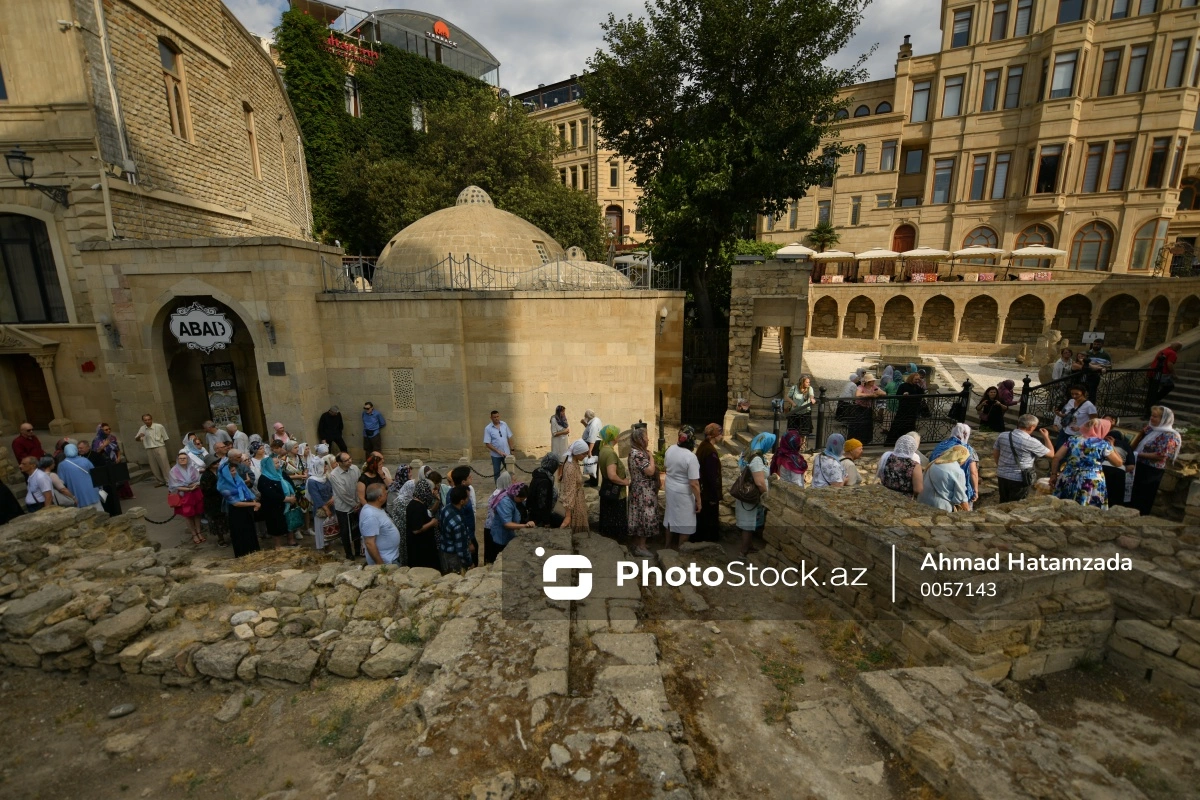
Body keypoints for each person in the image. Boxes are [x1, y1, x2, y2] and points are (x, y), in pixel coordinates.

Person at [1051, 418, 1123, 509]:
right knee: (1087, 509)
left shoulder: (1072, 439)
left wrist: (1053, 474)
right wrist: (1112, 446)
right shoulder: (1103, 444)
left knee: (1062, 508)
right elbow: (1118, 463)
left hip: (1068, 476)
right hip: (1090, 481)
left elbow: (1056, 457)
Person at [1127, 406, 1182, 516]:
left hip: (1151, 470)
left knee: (1143, 496)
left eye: (1155, 417)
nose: (1151, 418)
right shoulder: (1150, 429)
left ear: (1164, 419)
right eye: (1151, 415)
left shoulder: (1170, 435)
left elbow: (1161, 455)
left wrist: (1138, 454)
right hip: (1138, 465)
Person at [992, 414, 1055, 502]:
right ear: (1031, 427)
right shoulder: (1031, 442)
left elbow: (996, 452)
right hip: (1019, 478)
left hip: (1002, 474)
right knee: (1016, 504)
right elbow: (1051, 454)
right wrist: (1046, 437)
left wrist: (1000, 465)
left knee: (1003, 500)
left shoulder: (1003, 435)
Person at [736, 432, 774, 555]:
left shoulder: (746, 452)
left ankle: (749, 546)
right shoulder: (756, 459)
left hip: (746, 493)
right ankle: (743, 551)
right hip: (751, 496)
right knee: (748, 524)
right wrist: (766, 496)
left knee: (750, 524)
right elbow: (759, 482)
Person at [663, 426, 701, 549]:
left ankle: (667, 546)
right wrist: (699, 501)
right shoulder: (691, 457)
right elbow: (694, 483)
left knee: (670, 517)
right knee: (686, 523)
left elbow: (666, 468)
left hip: (670, 489)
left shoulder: (670, 449)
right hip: (684, 493)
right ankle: (681, 550)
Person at [627, 425, 661, 557]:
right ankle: (640, 546)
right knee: (644, 517)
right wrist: (651, 457)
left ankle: (637, 544)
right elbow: (650, 471)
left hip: (639, 490)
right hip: (643, 492)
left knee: (638, 516)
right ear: (640, 439)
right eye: (646, 437)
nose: (648, 439)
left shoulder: (634, 451)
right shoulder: (639, 454)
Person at [218, 455, 261, 557]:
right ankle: (243, 554)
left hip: (247, 508)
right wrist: (254, 504)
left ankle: (253, 552)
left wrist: (254, 501)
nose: (234, 472)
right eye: (231, 471)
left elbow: (247, 491)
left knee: (250, 532)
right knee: (240, 533)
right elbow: (235, 503)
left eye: (234, 470)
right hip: (236, 512)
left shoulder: (238, 480)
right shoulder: (223, 486)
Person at [929, 424, 980, 508]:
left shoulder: (942, 445)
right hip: (960, 486)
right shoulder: (967, 450)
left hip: (938, 483)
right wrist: (975, 491)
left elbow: (931, 459)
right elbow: (973, 472)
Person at [257, 451, 297, 548]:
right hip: (274, 507)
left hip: (288, 503)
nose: (278, 465)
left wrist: (292, 495)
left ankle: (291, 540)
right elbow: (270, 494)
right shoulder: (264, 479)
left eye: (278, 462)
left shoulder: (281, 474)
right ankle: (278, 545)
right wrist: (286, 499)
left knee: (289, 522)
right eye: (275, 463)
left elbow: (290, 483)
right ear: (268, 465)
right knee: (276, 525)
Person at [488, 482, 535, 563]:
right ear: (515, 495)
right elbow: (507, 524)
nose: (522, 501)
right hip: (501, 536)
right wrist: (525, 526)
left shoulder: (516, 500)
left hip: (510, 535)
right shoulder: (505, 502)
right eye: (521, 499)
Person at [597, 424, 629, 539]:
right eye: (616, 434)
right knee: (616, 521)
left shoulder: (603, 449)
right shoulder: (610, 453)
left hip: (607, 492)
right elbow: (612, 475)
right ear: (612, 437)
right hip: (616, 494)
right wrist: (624, 482)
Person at [168, 449, 206, 545]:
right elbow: (174, 485)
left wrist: (194, 486)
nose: (182, 460)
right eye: (180, 458)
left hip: (195, 493)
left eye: (184, 458)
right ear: (177, 460)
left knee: (197, 514)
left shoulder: (192, 468)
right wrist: (188, 489)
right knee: (188, 515)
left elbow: (198, 480)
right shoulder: (173, 471)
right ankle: (193, 534)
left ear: (188, 459)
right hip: (184, 495)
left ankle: (199, 531)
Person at [329, 452, 362, 559]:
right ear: (339, 463)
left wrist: (359, 501)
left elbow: (359, 484)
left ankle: (358, 551)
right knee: (345, 530)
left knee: (357, 528)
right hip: (343, 507)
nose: (350, 461)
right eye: (346, 460)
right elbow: (342, 493)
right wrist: (354, 504)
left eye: (350, 458)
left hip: (357, 503)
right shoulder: (334, 475)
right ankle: (348, 553)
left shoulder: (355, 469)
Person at [918, 446, 972, 512]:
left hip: (923, 501)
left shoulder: (935, 462)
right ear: (962, 458)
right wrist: (968, 511)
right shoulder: (958, 472)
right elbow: (961, 498)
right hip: (940, 506)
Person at [693, 424, 722, 543]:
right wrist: (715, 495)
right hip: (708, 493)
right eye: (720, 433)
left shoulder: (703, 446)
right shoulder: (710, 452)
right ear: (714, 435)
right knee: (709, 520)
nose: (721, 435)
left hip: (703, 490)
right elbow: (712, 476)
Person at [360, 483, 401, 565]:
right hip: (386, 561)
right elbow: (369, 543)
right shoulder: (371, 516)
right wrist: (381, 565)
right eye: (385, 492)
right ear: (379, 498)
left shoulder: (375, 509)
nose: (387, 493)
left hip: (391, 556)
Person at [438, 485, 477, 572]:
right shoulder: (458, 523)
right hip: (454, 557)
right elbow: (461, 550)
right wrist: (470, 563)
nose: (469, 499)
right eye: (468, 497)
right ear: (462, 501)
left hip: (444, 550)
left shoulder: (445, 508)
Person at [406, 479, 442, 570]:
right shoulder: (416, 507)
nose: (433, 492)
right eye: (432, 490)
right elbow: (416, 529)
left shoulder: (420, 504)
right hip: (420, 550)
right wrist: (432, 523)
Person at [877, 432, 924, 498]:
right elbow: (918, 489)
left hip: (886, 496)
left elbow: (880, 474)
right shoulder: (914, 465)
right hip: (904, 499)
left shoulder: (886, 457)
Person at [92, 422, 133, 500]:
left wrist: (118, 457)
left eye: (109, 429)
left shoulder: (112, 437)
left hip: (115, 459)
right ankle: (114, 496)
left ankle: (126, 494)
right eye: (106, 430)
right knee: (111, 480)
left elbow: (117, 448)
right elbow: (95, 452)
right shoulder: (97, 440)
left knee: (121, 478)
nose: (108, 431)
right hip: (105, 461)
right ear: (101, 431)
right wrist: (104, 445)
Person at [57, 443, 102, 512]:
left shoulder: (62, 465)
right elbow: (95, 474)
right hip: (92, 492)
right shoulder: (85, 460)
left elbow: (62, 482)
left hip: (77, 494)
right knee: (99, 511)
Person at [81, 439, 121, 517]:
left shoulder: (96, 455)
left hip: (100, 481)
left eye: (81, 448)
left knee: (106, 499)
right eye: (78, 448)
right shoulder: (80, 457)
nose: (79, 450)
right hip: (90, 482)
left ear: (88, 447)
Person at [306, 444, 335, 552]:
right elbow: (316, 497)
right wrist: (326, 508)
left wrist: (333, 497)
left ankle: (330, 547)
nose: (326, 468)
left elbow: (331, 489)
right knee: (322, 530)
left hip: (330, 506)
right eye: (324, 466)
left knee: (330, 529)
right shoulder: (312, 481)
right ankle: (323, 549)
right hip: (321, 509)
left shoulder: (324, 478)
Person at [885, 372, 926, 445]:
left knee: (910, 426)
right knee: (899, 425)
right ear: (911, 378)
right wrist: (903, 395)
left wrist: (921, 384)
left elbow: (922, 394)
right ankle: (893, 442)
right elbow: (898, 395)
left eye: (918, 379)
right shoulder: (903, 386)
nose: (917, 381)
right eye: (915, 379)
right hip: (904, 410)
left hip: (913, 411)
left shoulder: (917, 387)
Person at [560, 440, 591, 533]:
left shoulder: (574, 462)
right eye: (584, 454)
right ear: (577, 453)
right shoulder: (571, 468)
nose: (586, 456)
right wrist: (568, 515)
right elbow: (569, 491)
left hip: (578, 498)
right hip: (575, 503)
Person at [199, 454, 229, 547]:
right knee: (217, 521)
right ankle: (221, 539)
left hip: (222, 499)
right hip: (213, 502)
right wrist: (220, 488)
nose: (217, 463)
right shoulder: (206, 475)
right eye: (214, 462)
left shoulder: (220, 471)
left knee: (224, 519)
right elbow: (206, 490)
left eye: (217, 462)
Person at [527, 454, 564, 528]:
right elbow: (542, 503)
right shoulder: (544, 480)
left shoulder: (540, 473)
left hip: (539, 512)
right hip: (539, 516)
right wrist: (546, 521)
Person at [134, 414, 171, 487]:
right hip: (149, 448)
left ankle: (169, 481)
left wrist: (159, 444)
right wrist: (139, 436)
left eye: (149, 419)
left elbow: (165, 438)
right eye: (145, 420)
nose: (147, 421)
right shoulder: (142, 428)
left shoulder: (159, 426)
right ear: (143, 421)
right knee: (154, 466)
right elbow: (136, 439)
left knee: (164, 465)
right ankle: (160, 481)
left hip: (159, 447)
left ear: (151, 419)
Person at [849, 373, 885, 445]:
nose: (873, 382)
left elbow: (884, 393)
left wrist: (878, 393)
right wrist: (870, 395)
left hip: (868, 409)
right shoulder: (861, 387)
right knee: (859, 425)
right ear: (868, 382)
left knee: (867, 425)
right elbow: (858, 394)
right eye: (872, 381)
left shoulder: (874, 387)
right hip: (860, 408)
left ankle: (865, 441)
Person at [483, 410, 514, 485]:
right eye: (494, 417)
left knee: (510, 471)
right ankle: (498, 489)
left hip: (506, 453)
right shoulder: (488, 428)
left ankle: (511, 486)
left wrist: (512, 449)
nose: (496, 418)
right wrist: (498, 451)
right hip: (496, 455)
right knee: (497, 473)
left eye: (497, 416)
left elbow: (509, 437)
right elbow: (487, 443)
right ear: (491, 418)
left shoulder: (504, 424)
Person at [1148, 342, 1182, 407]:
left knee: (1152, 389)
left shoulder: (1163, 351)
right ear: (1177, 348)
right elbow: (1169, 364)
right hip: (1161, 373)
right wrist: (1174, 374)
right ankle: (1155, 399)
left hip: (1153, 372)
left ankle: (1151, 402)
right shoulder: (1172, 353)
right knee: (1169, 386)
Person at [785, 376, 816, 441]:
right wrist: (792, 403)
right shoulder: (794, 388)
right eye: (807, 382)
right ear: (802, 382)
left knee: (804, 431)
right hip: (795, 412)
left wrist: (812, 399)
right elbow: (787, 397)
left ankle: (803, 444)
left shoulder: (809, 388)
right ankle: (794, 443)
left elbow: (811, 395)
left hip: (805, 412)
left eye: (809, 382)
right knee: (793, 430)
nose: (808, 383)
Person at [581, 410, 603, 485]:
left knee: (593, 462)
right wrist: (584, 423)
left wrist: (590, 451)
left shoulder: (593, 424)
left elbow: (592, 438)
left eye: (585, 416)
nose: (584, 417)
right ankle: (592, 479)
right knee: (592, 462)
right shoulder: (595, 420)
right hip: (594, 443)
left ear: (588, 417)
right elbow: (588, 429)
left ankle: (594, 482)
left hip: (594, 444)